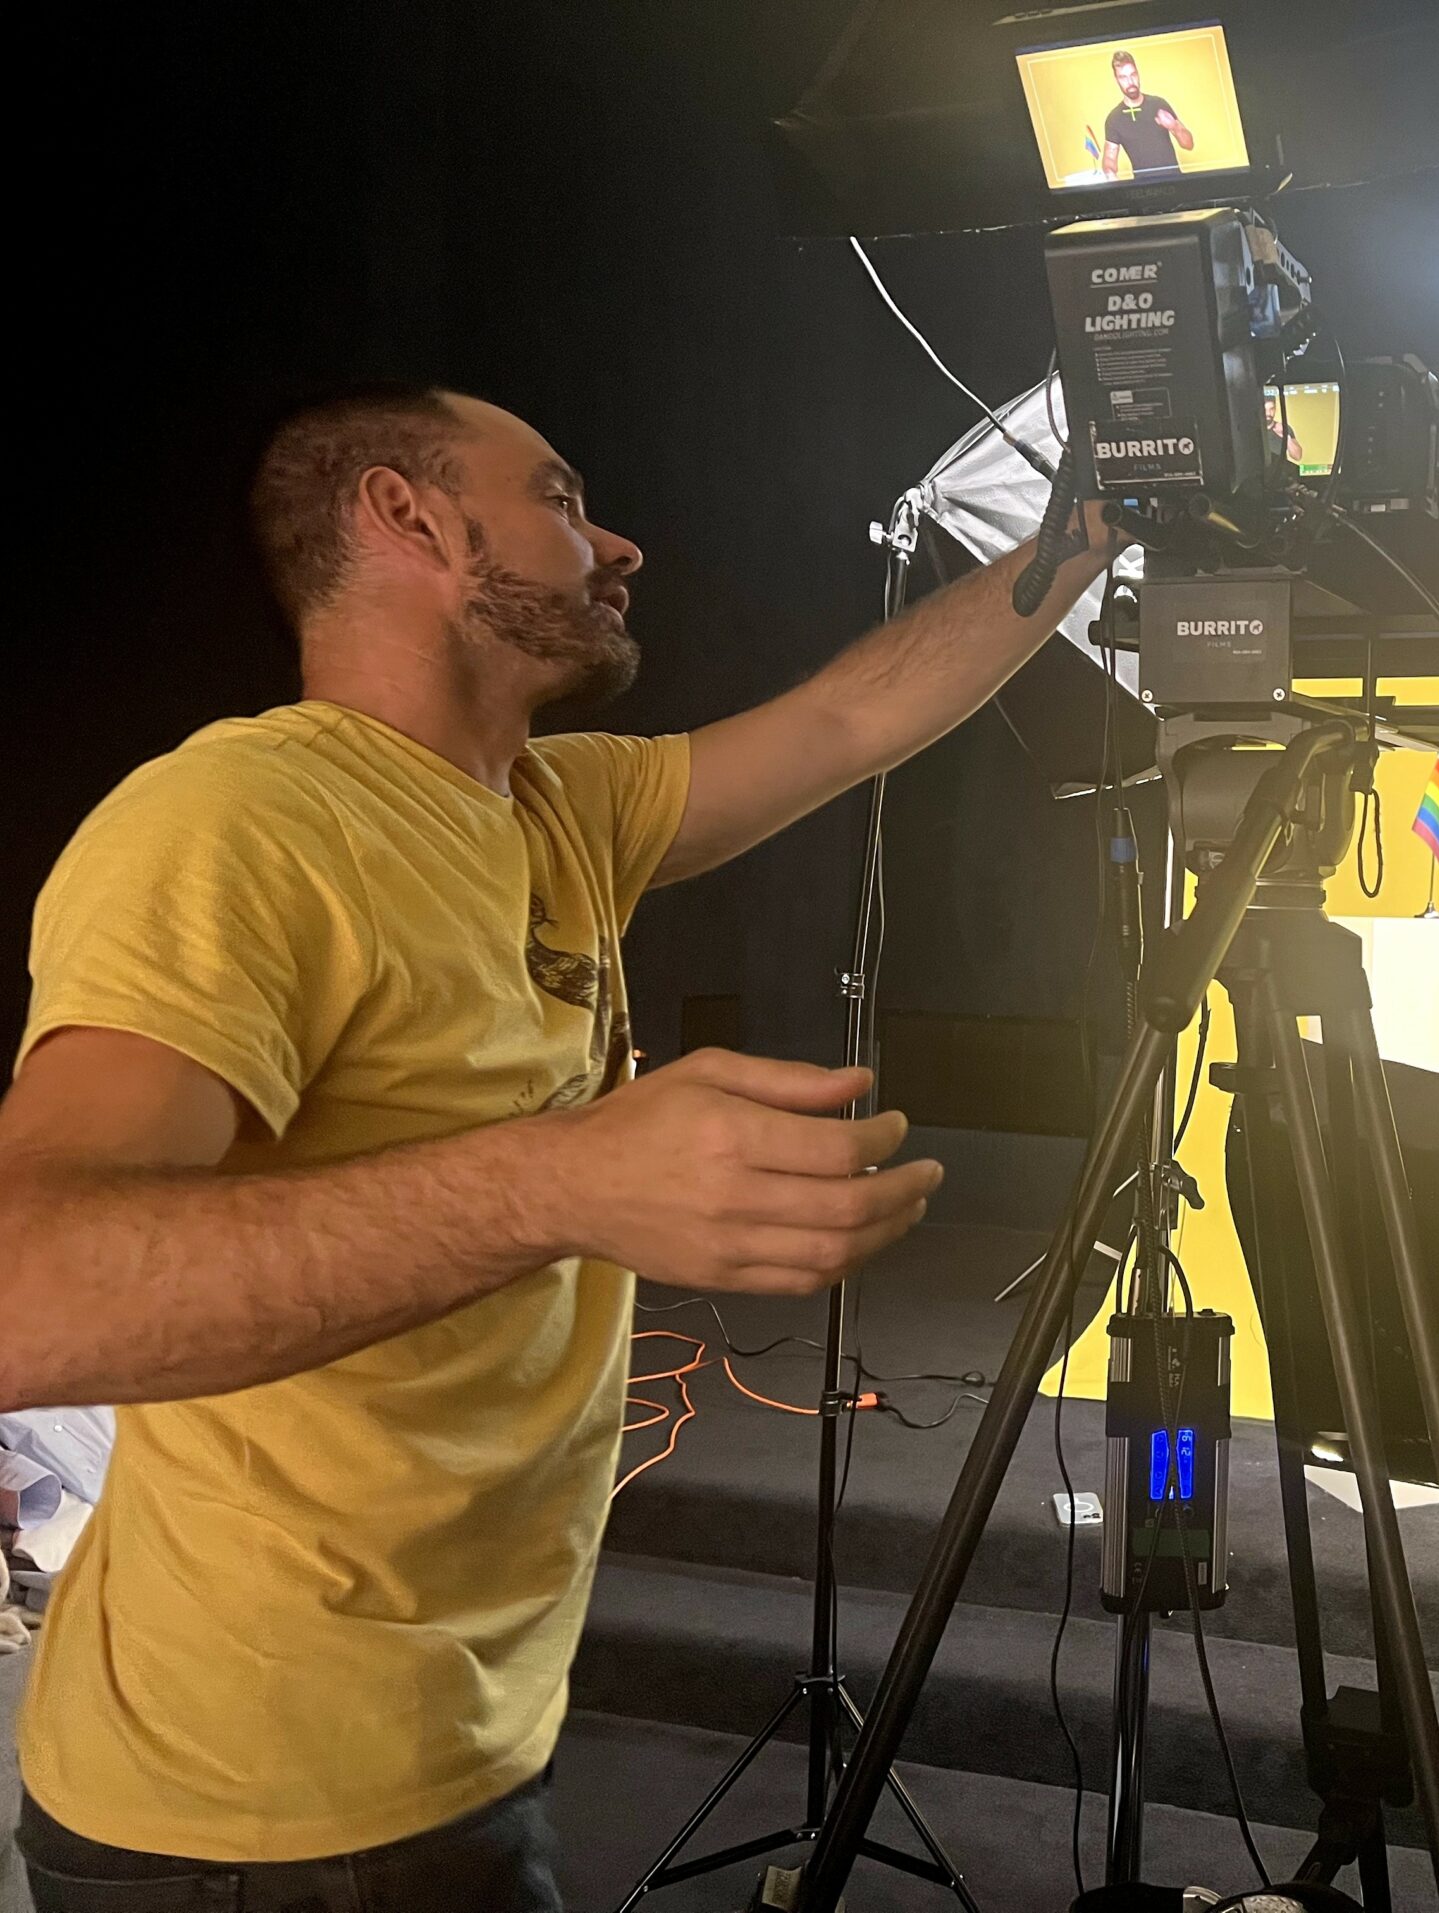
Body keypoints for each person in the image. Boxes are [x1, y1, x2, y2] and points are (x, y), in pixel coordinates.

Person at [0, 384, 1118, 1910]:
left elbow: (855, 716)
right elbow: (28, 1293)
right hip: (250, 1815)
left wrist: (1093, 526)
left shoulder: (557, 804)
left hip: (460, 1750)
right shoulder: (235, 822)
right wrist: (564, 1177)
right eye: (560, 496)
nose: (619, 543)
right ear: (407, 518)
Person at [1097, 50, 1194, 180]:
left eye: (1133, 74)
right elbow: (1109, 159)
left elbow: (1188, 145)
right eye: (1123, 77)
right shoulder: (1114, 119)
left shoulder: (1159, 104)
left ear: (1138, 74)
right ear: (1117, 80)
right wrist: (1110, 175)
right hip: (1143, 190)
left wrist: (1174, 126)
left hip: (1175, 183)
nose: (1130, 82)